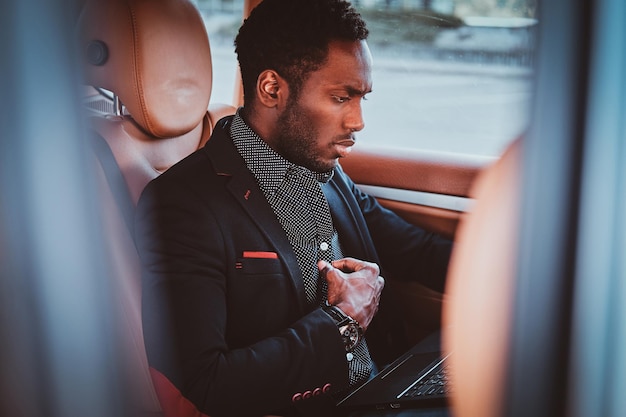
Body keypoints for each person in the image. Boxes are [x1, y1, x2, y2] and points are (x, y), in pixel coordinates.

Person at [135, 0, 452, 416]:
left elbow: (418, 250)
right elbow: (206, 383)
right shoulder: (181, 204)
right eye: (341, 97)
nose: (357, 121)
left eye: (362, 98)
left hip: (386, 387)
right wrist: (343, 320)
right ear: (272, 89)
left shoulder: (326, 170)